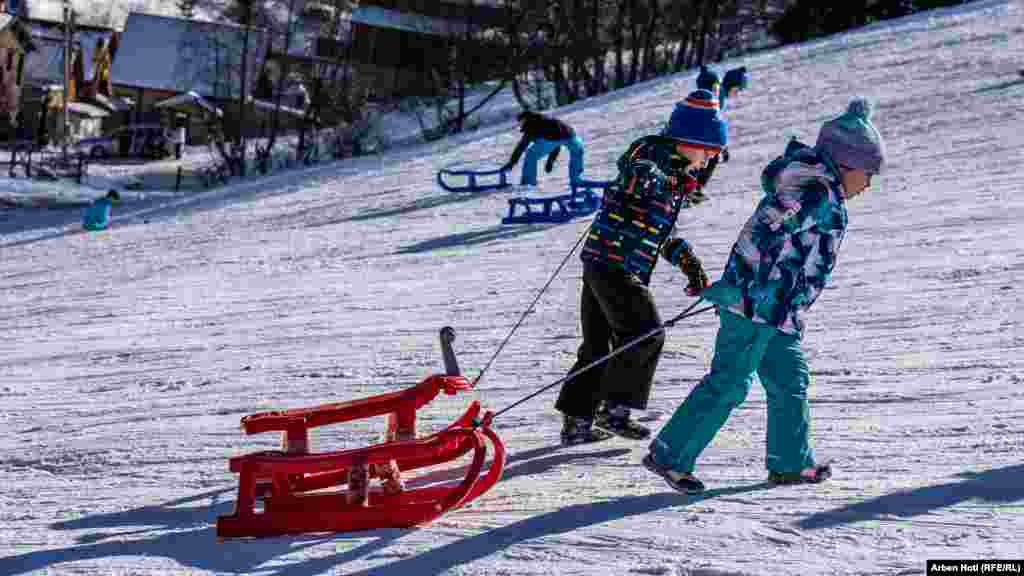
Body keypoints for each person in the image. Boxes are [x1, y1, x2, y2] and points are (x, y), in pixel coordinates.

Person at [643, 98, 886, 494]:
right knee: (730, 382)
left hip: (781, 314)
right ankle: (669, 455)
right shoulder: (815, 194)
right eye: (868, 172)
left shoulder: (824, 193)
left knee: (790, 380)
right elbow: (761, 232)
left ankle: (790, 462)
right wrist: (736, 285)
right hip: (754, 306)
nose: (870, 182)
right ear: (846, 164)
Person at [555, 89, 728, 446]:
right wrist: (670, 181)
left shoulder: (674, 175)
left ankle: (576, 423)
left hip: (604, 262)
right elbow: (637, 174)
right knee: (648, 334)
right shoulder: (650, 154)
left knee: (598, 346)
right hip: (614, 264)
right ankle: (614, 410)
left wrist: (688, 262)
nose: (710, 159)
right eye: (709, 150)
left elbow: (662, 232)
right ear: (689, 139)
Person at [502, 111, 584, 187]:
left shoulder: (531, 125)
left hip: (559, 137)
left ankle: (528, 183)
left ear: (524, 120)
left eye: (519, 122)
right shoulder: (545, 120)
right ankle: (576, 180)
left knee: (531, 155)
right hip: (571, 135)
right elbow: (557, 142)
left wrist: (512, 162)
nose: (519, 124)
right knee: (577, 153)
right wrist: (550, 161)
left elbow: (522, 146)